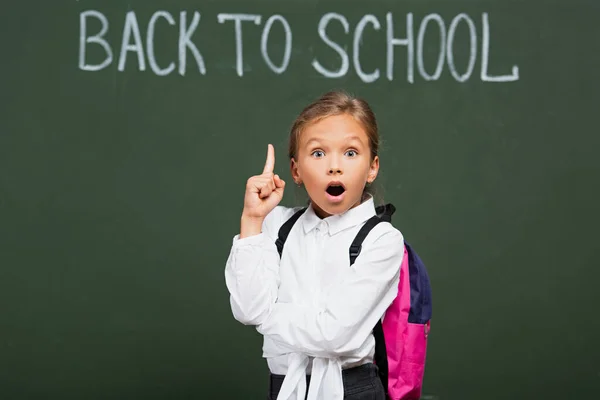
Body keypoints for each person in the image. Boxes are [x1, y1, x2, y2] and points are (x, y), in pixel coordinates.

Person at [224, 91, 405, 400]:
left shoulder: (382, 240)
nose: (334, 166)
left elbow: (333, 336)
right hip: (284, 387)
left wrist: (268, 315)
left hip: (353, 388)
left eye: (350, 152)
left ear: (372, 167)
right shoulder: (276, 224)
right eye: (318, 153)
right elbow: (246, 307)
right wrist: (252, 218)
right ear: (296, 170)